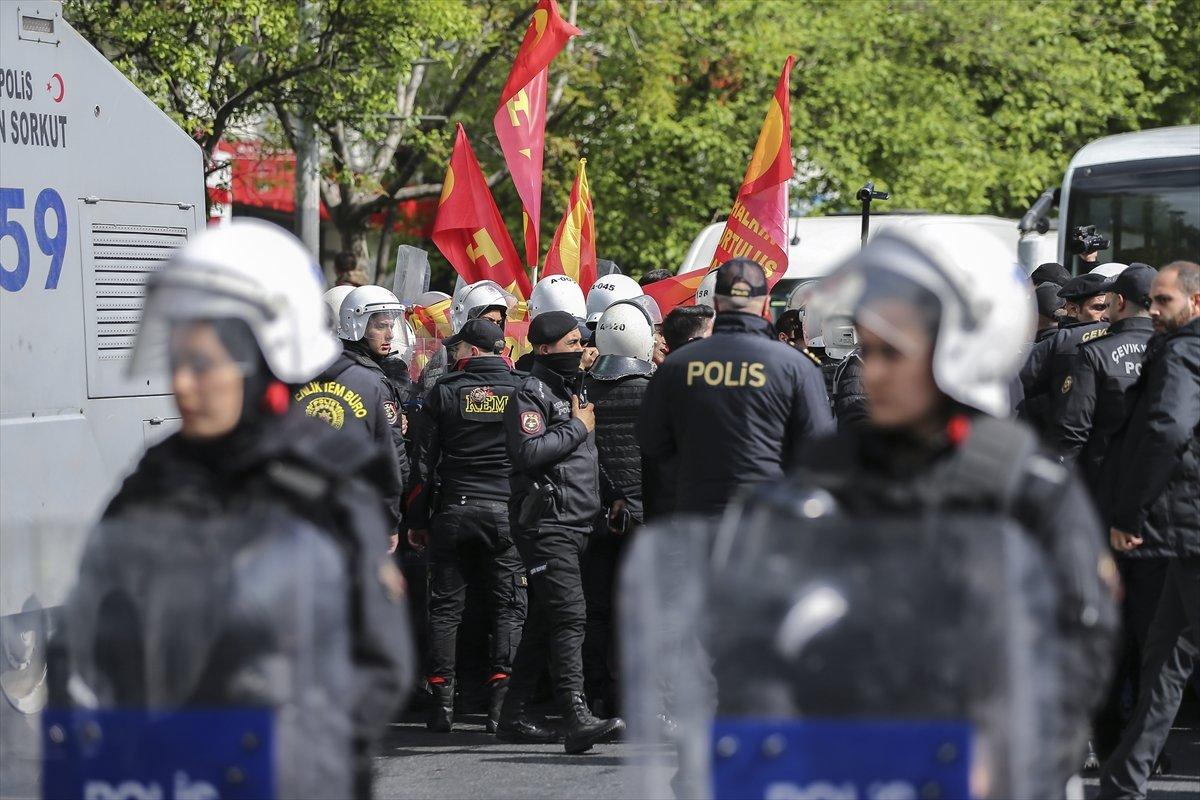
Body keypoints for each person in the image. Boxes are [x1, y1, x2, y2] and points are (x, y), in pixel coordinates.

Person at [50, 221, 413, 800]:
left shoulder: (322, 478)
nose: (183, 383)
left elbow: (377, 663)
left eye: (203, 364)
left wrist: (297, 756)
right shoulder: (157, 475)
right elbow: (90, 613)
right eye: (176, 359)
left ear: (260, 361)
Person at [778, 230, 1118, 795]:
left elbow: (1083, 636)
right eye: (868, 350)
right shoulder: (830, 471)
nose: (874, 372)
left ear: (960, 346)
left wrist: (1023, 752)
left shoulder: (1025, 484)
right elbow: (772, 611)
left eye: (893, 352)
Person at [499, 310, 625, 753]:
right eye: (573, 343)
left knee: (544, 620)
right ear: (545, 349)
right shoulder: (528, 394)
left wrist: (611, 494)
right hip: (547, 522)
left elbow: (585, 456)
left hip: (580, 519)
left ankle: (512, 716)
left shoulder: (573, 388)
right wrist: (576, 426)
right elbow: (528, 451)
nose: (581, 350)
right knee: (571, 614)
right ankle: (576, 715)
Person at [1099, 261, 1200, 800]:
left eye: (1165, 301)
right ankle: (1121, 782)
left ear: (1195, 301)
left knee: (1166, 662)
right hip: (1187, 532)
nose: (1154, 311)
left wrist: (1129, 513)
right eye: (1153, 300)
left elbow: (1167, 429)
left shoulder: (1184, 353)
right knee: (1163, 665)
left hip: (1188, 525)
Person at [637, 259, 834, 517]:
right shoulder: (796, 366)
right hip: (766, 524)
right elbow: (820, 450)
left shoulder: (676, 366)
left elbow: (651, 444)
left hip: (696, 521)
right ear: (765, 304)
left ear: (716, 305)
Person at [406, 319, 528, 734]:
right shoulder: (525, 388)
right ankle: (500, 704)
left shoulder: (443, 392)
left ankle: (441, 704)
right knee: (509, 606)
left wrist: (417, 519)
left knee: (445, 608)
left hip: (453, 510)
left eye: (459, 349)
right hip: (506, 511)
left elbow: (422, 464)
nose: (454, 354)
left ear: (473, 352)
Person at [582, 300, 657, 715]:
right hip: (645, 515)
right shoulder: (656, 388)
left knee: (597, 611)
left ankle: (599, 694)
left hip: (596, 515)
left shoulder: (583, 387)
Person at [294, 284, 409, 547]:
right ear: (355, 323)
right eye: (380, 325)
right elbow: (391, 451)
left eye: (391, 325)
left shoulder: (298, 374)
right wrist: (398, 506)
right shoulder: (369, 380)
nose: (389, 334)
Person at [1051, 264, 1157, 477]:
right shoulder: (1178, 352)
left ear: (1120, 302)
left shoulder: (1095, 353)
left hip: (1104, 486)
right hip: (1158, 486)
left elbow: (1071, 434)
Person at [1018, 271, 1112, 434]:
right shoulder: (1058, 343)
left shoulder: (1116, 338)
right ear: (1073, 309)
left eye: (1108, 307)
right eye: (1098, 307)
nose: (1105, 315)